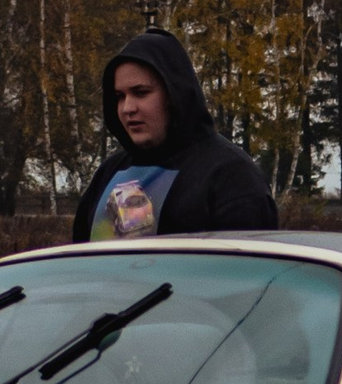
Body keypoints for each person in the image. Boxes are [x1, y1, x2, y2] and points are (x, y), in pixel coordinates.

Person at [70, 32, 277, 242]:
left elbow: (248, 269)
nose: (127, 108)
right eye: (119, 96)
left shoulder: (231, 176)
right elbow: (77, 263)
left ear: (174, 94)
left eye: (141, 92)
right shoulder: (110, 172)